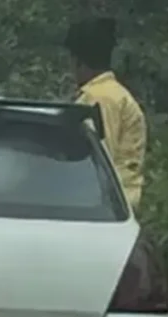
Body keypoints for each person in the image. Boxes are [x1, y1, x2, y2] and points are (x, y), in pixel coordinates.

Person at [64, 17, 147, 210]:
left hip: (109, 204)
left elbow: (100, 156)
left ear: (78, 62)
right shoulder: (111, 93)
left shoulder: (100, 98)